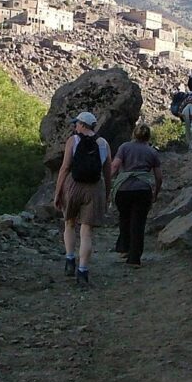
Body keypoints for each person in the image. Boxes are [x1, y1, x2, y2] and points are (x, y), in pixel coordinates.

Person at [53, 111, 112, 286]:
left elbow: (65, 168)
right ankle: (83, 272)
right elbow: (107, 173)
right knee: (86, 232)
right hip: (94, 188)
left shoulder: (73, 140)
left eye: (76, 123)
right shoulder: (104, 143)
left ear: (82, 125)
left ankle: (70, 260)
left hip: (73, 186)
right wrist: (107, 194)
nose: (75, 126)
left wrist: (58, 192)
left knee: (69, 224)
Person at [111, 123, 163, 267]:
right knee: (138, 223)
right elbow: (159, 177)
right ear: (148, 136)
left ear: (134, 134)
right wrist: (156, 192)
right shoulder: (152, 152)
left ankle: (124, 248)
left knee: (124, 218)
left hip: (123, 189)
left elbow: (115, 166)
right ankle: (134, 258)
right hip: (143, 190)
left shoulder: (124, 147)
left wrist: (107, 184)